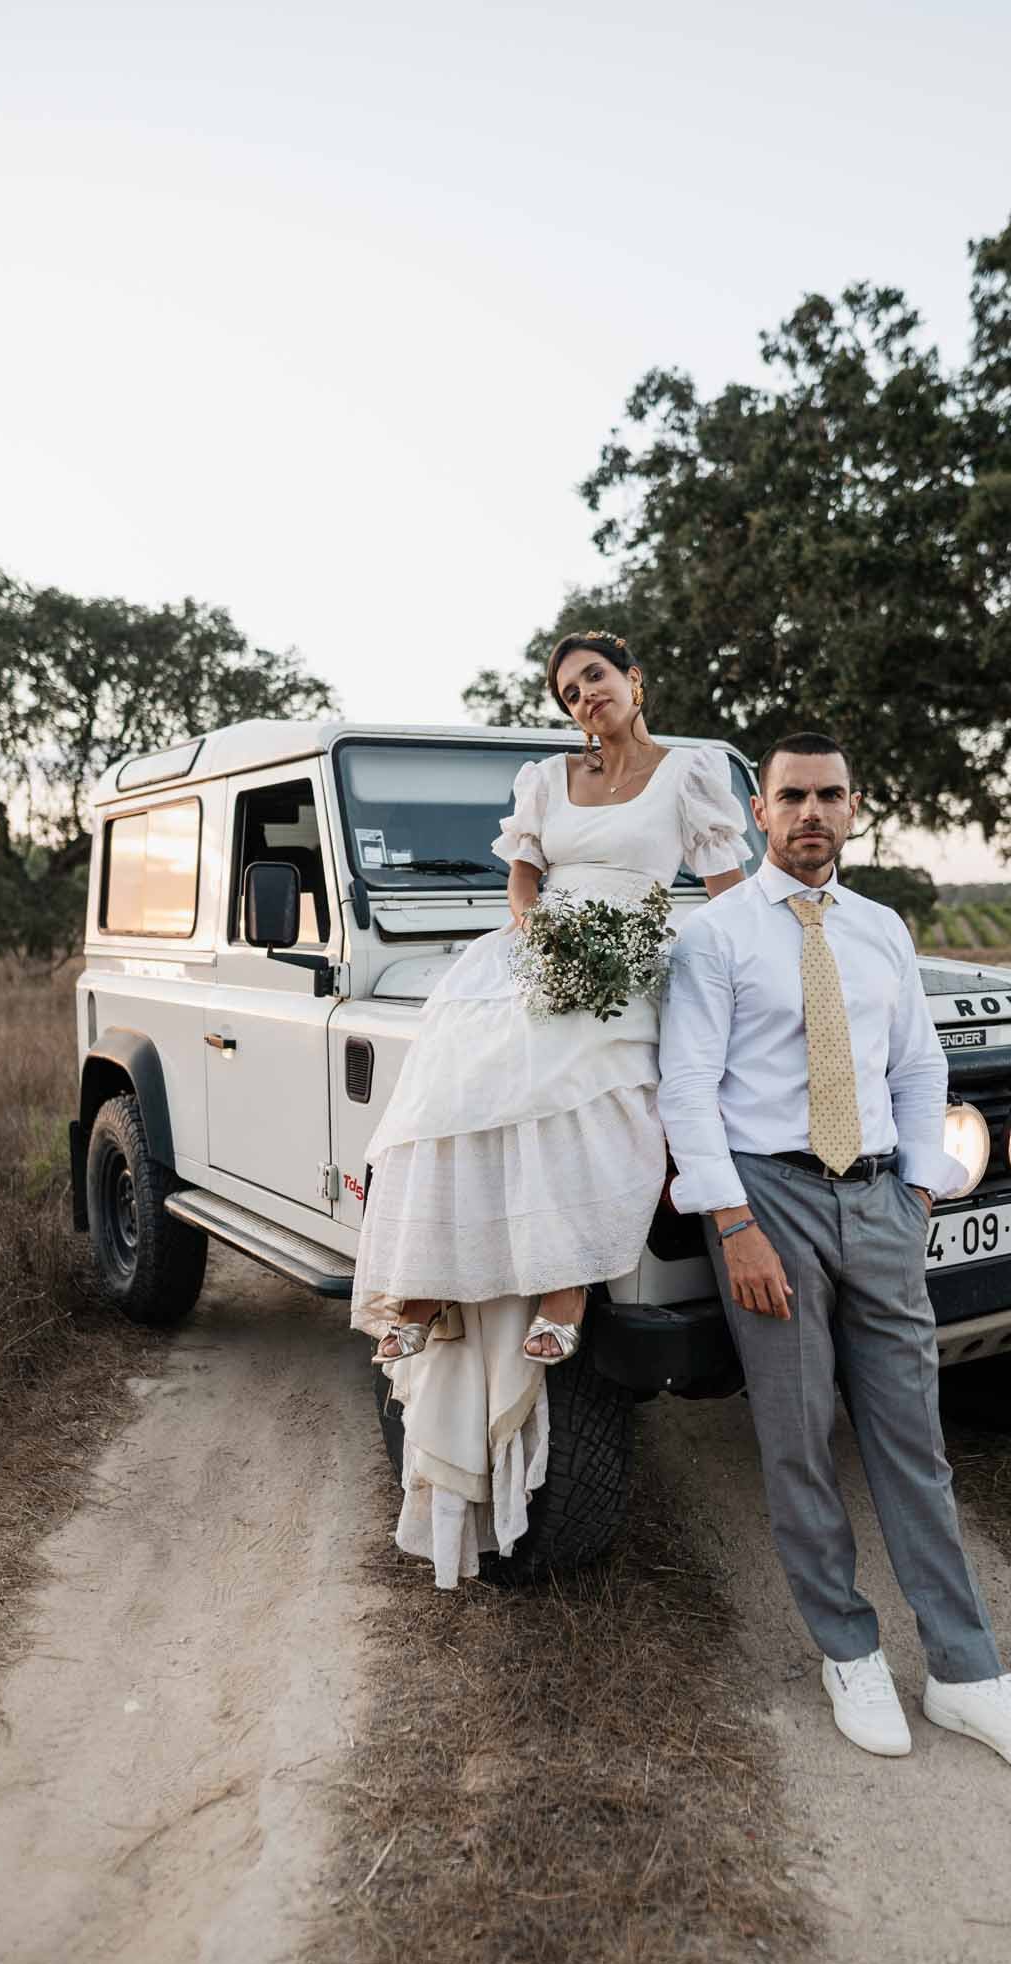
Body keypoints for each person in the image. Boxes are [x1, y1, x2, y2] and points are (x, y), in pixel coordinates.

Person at [657, 731, 1011, 1780]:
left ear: (854, 809)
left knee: (912, 1439)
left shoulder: (882, 928)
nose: (811, 812)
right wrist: (734, 1225)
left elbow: (918, 1066)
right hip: (769, 1199)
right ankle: (848, 1651)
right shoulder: (714, 937)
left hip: (882, 1195)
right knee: (799, 1436)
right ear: (759, 812)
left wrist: (922, 1186)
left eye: (830, 795)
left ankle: (966, 1672)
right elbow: (689, 1090)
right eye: (792, 796)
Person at [350, 631, 749, 1587]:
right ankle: (427, 1279)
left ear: (634, 680)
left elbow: (728, 891)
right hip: (539, 949)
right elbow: (523, 874)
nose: (584, 698)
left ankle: (566, 1288)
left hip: (632, 957)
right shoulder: (546, 779)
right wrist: (534, 934)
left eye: (595, 679)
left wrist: (750, 970)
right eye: (569, 691)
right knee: (452, 1083)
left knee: (592, 1090)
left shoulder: (688, 775)